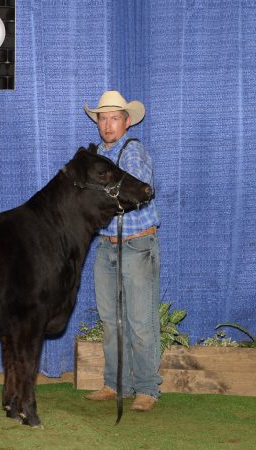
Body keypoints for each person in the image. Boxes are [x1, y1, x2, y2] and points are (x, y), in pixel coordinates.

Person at [82, 90, 162, 412]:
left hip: (137, 244)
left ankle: (146, 389)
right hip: (107, 245)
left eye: (114, 118)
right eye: (103, 118)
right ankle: (115, 383)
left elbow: (140, 192)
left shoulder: (132, 152)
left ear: (126, 122)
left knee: (140, 320)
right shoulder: (97, 157)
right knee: (111, 320)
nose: (108, 124)